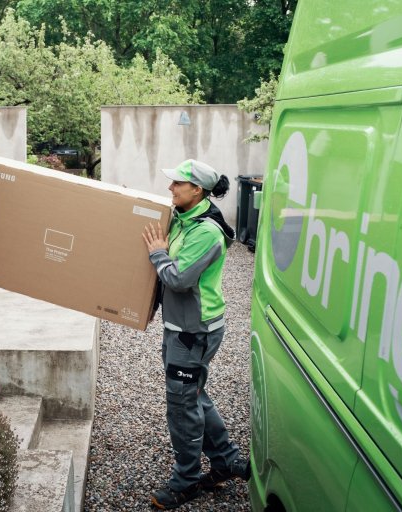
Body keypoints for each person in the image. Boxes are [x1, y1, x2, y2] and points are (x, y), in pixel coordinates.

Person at [142, 159, 250, 509]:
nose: (170, 188)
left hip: (194, 331)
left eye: (177, 183)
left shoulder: (206, 232)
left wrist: (158, 253)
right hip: (180, 327)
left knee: (182, 406)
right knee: (193, 394)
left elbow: (178, 279)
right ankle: (228, 461)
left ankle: (186, 481)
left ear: (197, 190)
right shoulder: (183, 218)